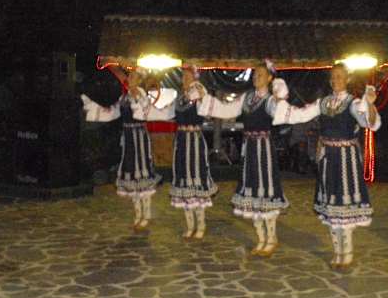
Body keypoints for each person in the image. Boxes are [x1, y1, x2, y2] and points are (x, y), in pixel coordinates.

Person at [272, 63, 381, 269]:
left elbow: (369, 123)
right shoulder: (322, 103)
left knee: (343, 203)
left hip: (346, 159)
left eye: (339, 76)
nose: (335, 80)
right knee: (331, 205)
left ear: (347, 79)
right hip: (328, 159)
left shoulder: (353, 103)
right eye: (333, 77)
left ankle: (347, 252)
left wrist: (371, 104)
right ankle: (337, 251)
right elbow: (300, 114)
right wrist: (280, 101)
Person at [197, 60, 289, 257]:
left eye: (260, 75)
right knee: (252, 193)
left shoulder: (271, 100)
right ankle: (261, 238)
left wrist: (280, 97)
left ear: (270, 78)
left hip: (264, 150)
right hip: (250, 150)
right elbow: (226, 110)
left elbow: (280, 113)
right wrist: (205, 97)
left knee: (266, 191)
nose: (256, 77)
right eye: (254, 74)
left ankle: (272, 238)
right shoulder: (246, 98)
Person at [81, 56, 175, 232]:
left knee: (142, 176)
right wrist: (93, 107)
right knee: (131, 177)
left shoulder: (140, 94)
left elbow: (145, 112)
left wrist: (138, 96)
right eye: (129, 77)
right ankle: (138, 214)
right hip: (129, 138)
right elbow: (113, 112)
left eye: (132, 77)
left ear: (138, 80)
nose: (129, 79)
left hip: (139, 137)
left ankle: (146, 214)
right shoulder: (125, 96)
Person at [170, 65, 218, 239]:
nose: (184, 79)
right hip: (182, 141)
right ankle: (190, 225)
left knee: (197, 178)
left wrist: (201, 94)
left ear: (195, 78)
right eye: (183, 77)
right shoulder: (179, 98)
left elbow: (208, 112)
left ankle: (201, 225)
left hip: (195, 141)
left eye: (188, 76)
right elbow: (171, 115)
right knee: (184, 179)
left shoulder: (199, 94)